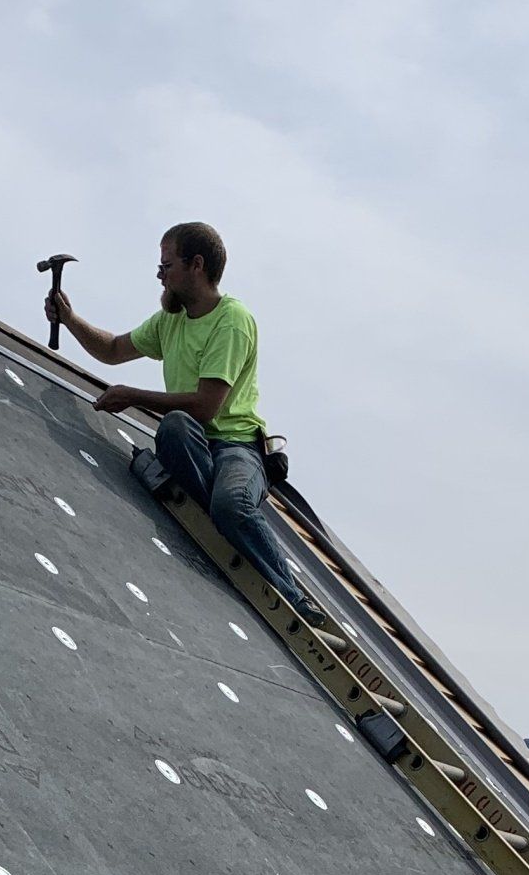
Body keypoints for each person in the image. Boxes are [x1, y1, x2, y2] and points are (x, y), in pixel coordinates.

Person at [45, 222, 326, 620]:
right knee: (175, 429)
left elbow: (207, 406)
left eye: (167, 264)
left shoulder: (232, 320)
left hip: (237, 446)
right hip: (196, 444)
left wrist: (132, 396)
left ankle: (295, 599)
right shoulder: (170, 321)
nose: (160, 274)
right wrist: (70, 318)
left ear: (197, 264)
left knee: (230, 504)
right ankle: (220, 512)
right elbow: (111, 349)